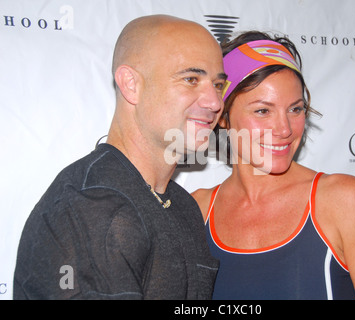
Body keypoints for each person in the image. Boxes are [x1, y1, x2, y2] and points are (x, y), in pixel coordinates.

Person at [13, 15, 227, 299]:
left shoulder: (181, 205)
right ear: (130, 84)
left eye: (218, 85)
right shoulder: (91, 206)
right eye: (190, 79)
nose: (214, 102)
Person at [192, 31, 355, 300]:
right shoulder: (197, 212)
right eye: (262, 110)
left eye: (295, 109)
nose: (284, 129)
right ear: (222, 116)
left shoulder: (342, 200)